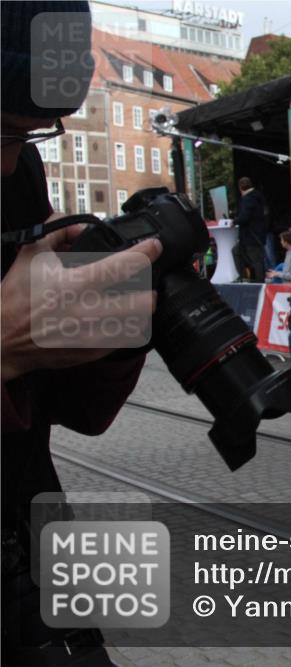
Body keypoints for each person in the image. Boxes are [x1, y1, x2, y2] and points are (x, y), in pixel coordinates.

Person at [1, 4, 161, 665]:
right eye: (2, 131)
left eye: (33, 135)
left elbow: (71, 410)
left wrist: (110, 328)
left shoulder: (19, 176)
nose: (12, 163)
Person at [231, 176, 267, 282]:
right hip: (256, 234)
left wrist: (234, 221)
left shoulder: (248, 199)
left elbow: (245, 217)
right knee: (238, 252)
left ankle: (258, 281)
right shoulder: (257, 196)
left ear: (240, 187)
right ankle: (245, 277)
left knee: (256, 259)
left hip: (251, 235)